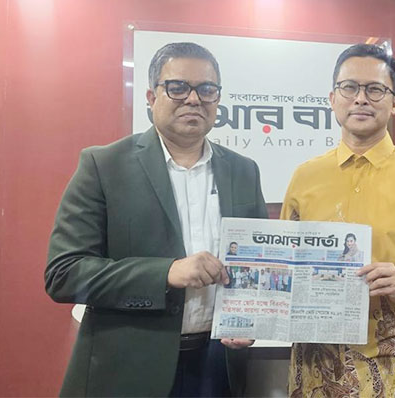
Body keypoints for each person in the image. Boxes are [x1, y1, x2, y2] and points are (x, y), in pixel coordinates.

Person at [44, 42, 269, 397]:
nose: (193, 99)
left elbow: (259, 264)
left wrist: (252, 318)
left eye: (206, 89)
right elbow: (64, 274)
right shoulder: (103, 166)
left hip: (219, 367)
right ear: (151, 97)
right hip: (128, 370)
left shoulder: (243, 171)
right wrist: (166, 273)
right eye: (177, 87)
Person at [281, 43, 395, 397]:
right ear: (332, 98)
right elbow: (283, 261)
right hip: (317, 369)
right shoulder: (305, 177)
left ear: (394, 103)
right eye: (350, 87)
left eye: (375, 89)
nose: (361, 99)